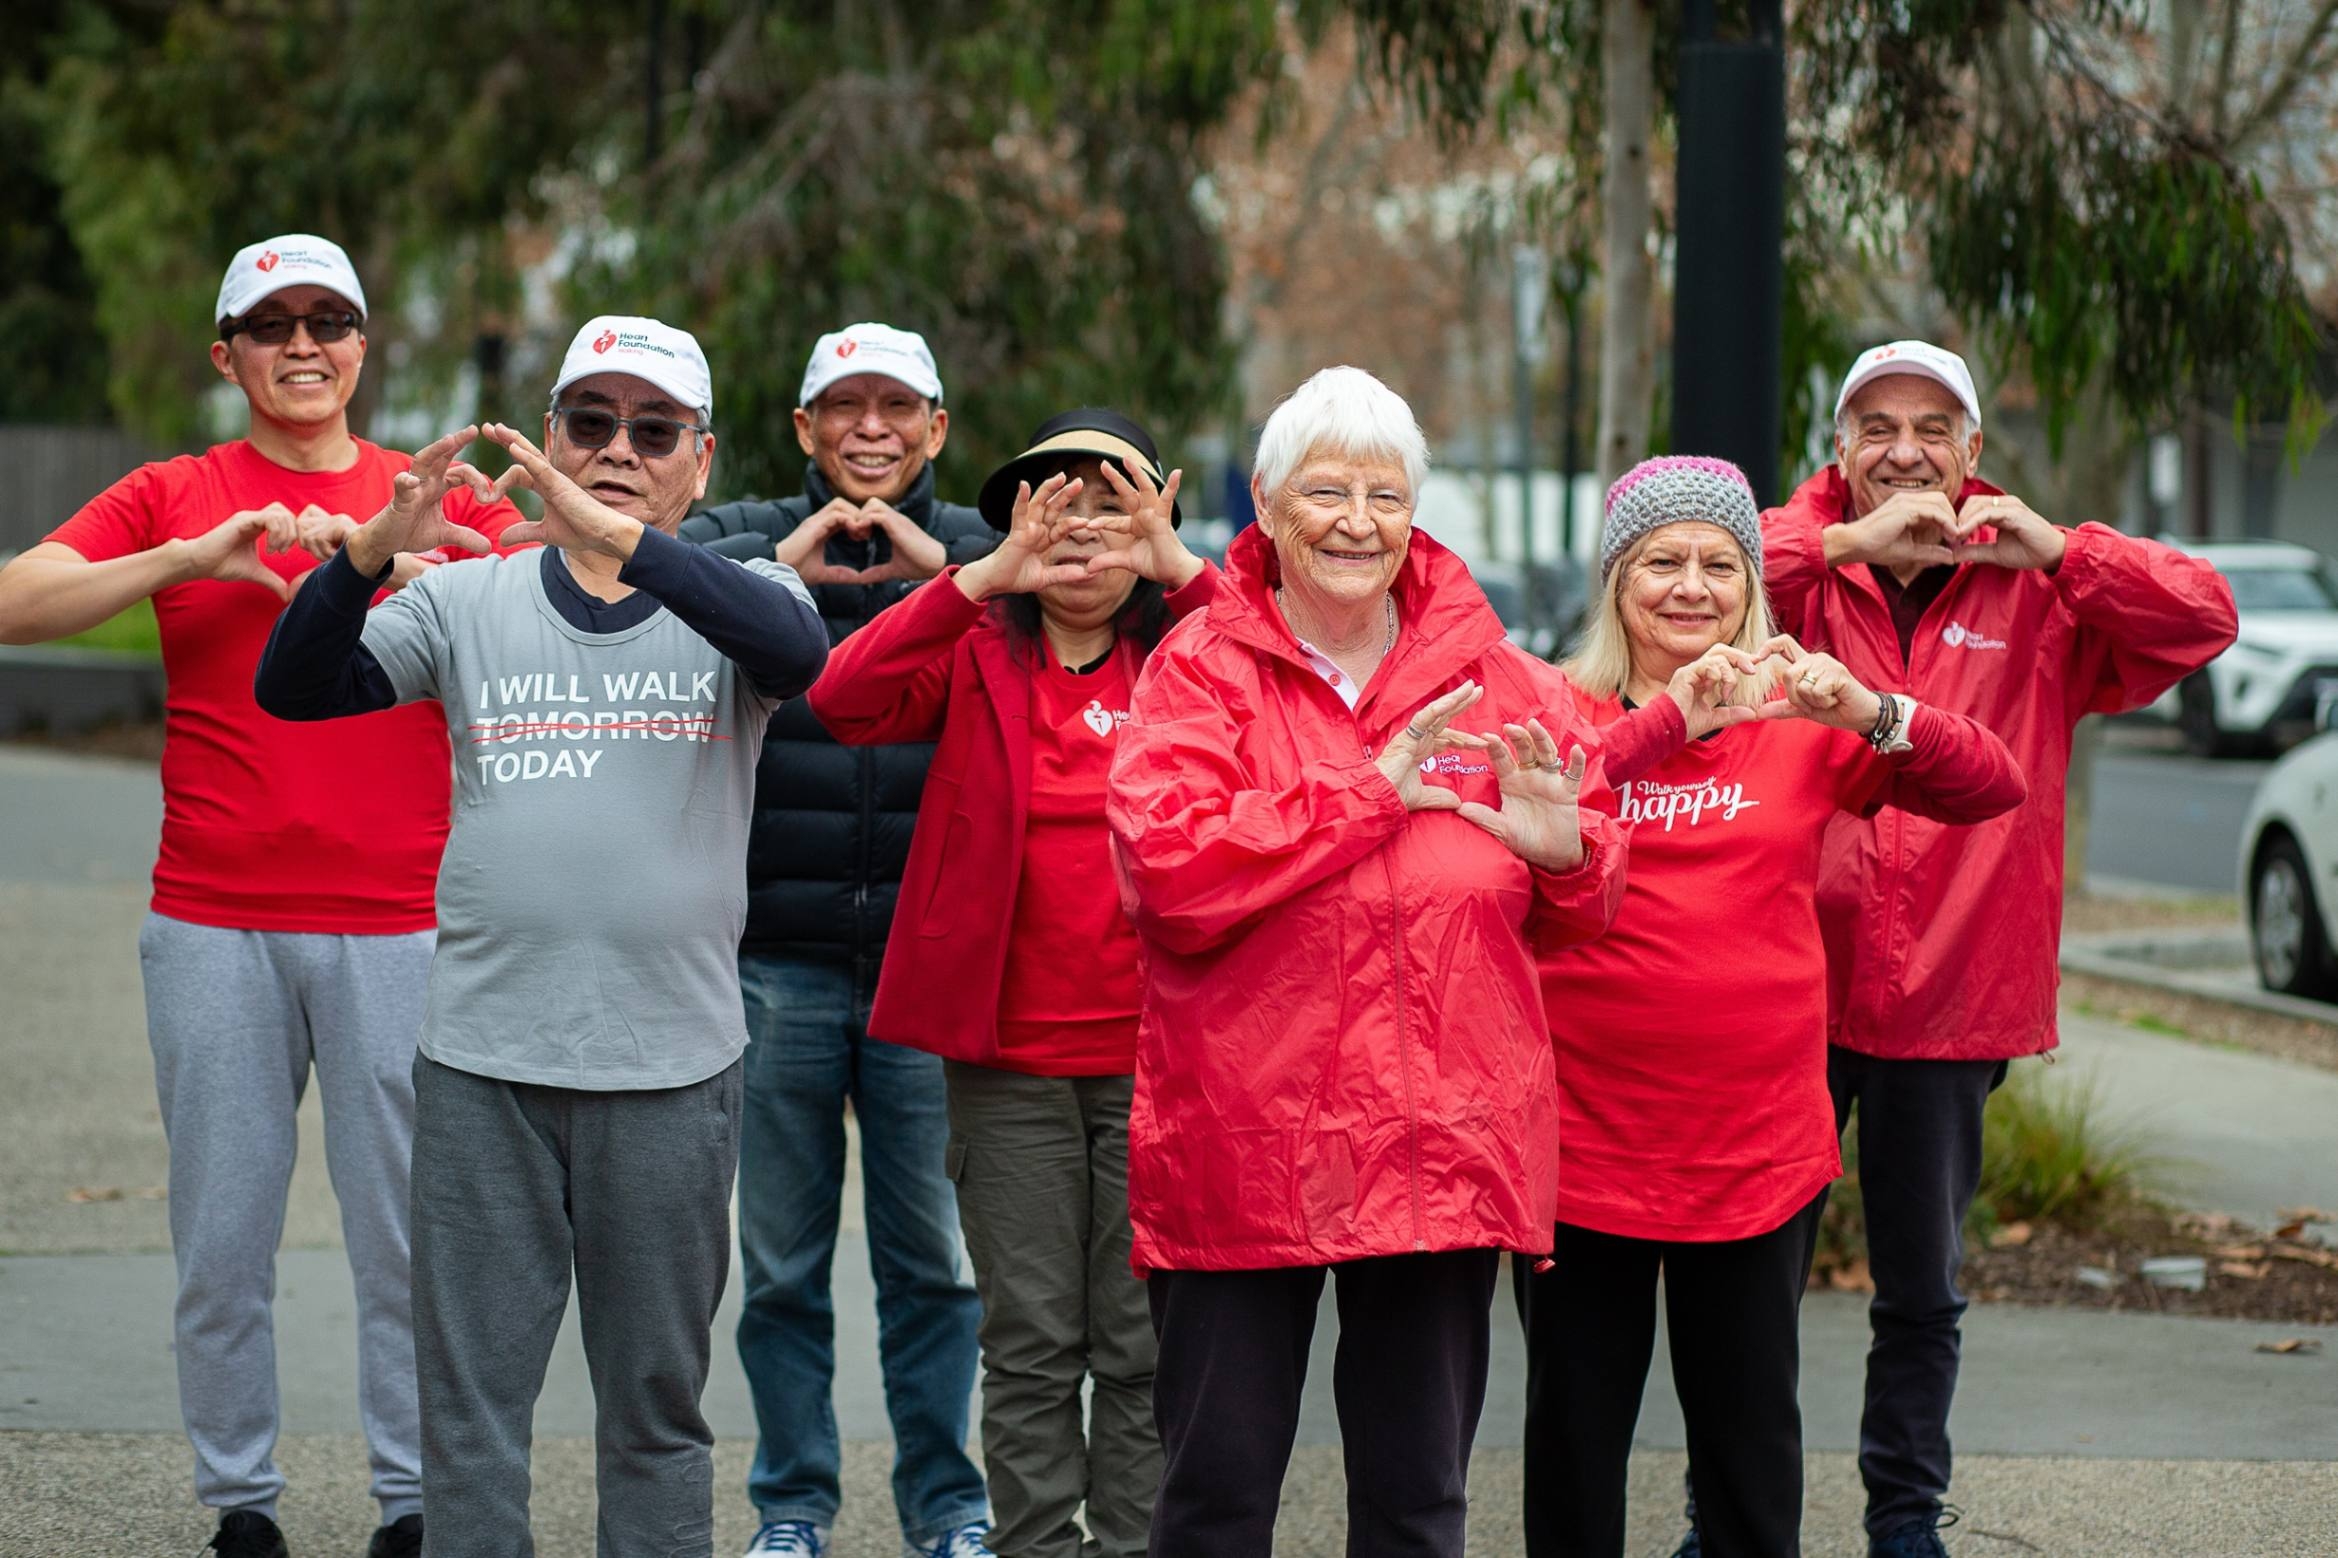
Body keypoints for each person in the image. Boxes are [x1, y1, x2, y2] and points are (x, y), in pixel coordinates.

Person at [252, 317, 829, 1556]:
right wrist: (363, 554)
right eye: (589, 423)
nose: (616, 449)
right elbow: (293, 686)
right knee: (467, 1417)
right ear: (548, 435)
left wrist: (616, 536)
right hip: (481, 1069)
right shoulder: (466, 599)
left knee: (655, 1414)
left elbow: (801, 656)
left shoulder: (750, 603)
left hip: (671, 1071)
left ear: (701, 461)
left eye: (652, 430)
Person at [0, 233, 516, 1558]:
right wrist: (188, 560)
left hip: (402, 920)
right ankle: (242, 1502)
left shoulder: (427, 491)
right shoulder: (180, 488)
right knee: (221, 1235)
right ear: (225, 352)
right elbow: (19, 599)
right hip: (214, 921)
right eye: (271, 324)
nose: (302, 345)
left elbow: (558, 596)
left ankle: (412, 1501)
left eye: (327, 320)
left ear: (362, 346)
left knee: (405, 1240)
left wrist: (396, 557)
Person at [1104, 365, 1630, 1558]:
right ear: (1270, 512)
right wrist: (1362, 793)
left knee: (1415, 1504)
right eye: (1325, 492)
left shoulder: (1503, 682)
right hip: (1246, 1140)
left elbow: (1584, 893)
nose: (1355, 521)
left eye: (1383, 496)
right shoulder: (1197, 671)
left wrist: (1568, 859)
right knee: (1216, 1497)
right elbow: (1170, 876)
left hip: (1434, 1146)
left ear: (1414, 516)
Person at [1759, 341, 2238, 1558]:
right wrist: (1844, 545)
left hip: (1954, 997)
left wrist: (2068, 549)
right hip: (1785, 989)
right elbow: (1671, 574)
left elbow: (2204, 618)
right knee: (1749, 1292)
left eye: (1934, 428)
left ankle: (1902, 1516)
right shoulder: (1801, 570)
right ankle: (1733, 1514)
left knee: (1920, 1293)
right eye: (1876, 426)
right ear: (1839, 448)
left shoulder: (2037, 590)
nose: (1905, 451)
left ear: (1973, 454)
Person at [1514, 456, 2025, 1558]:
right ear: (1615, 582)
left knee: (1750, 1457)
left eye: (1718, 564)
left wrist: (1877, 709)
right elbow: (1543, 791)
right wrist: (1670, 721)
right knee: (1571, 1447)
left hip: (1752, 1158)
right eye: (1660, 562)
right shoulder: (1556, 705)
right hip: (1581, 1152)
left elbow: (1993, 784)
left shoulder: (1799, 715)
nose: (1690, 587)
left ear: (1753, 585)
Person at [809, 410, 1214, 1558]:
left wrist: (1178, 566)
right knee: (1032, 1339)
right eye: (1055, 507)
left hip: (1163, 1058)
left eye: (1111, 504)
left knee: (1141, 1342)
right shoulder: (980, 646)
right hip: (1008, 1062)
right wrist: (976, 580)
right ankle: (1038, 1544)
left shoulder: (1191, 649)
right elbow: (841, 698)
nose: (1082, 532)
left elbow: (1304, 681)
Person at [679, 322, 992, 1558]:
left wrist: (940, 564)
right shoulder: (742, 536)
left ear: (936, 428)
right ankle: (794, 1506)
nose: (871, 427)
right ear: (804, 428)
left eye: (895, 406)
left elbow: (1075, 582)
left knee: (933, 1267)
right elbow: (672, 557)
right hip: (777, 967)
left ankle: (947, 1508)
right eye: (842, 407)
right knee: (781, 1269)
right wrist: (791, 562)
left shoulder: (980, 550)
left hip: (925, 966)